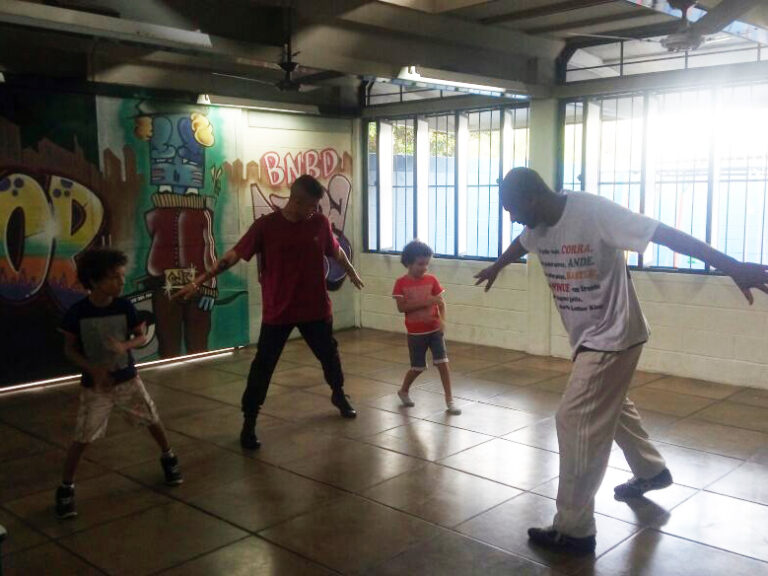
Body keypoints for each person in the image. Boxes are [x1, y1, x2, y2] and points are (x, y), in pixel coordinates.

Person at [474, 167, 768, 555]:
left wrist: (731, 265)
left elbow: (661, 233)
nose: (512, 217)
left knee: (575, 418)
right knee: (610, 408)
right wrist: (498, 265)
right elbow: (523, 242)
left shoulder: (593, 212)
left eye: (512, 209)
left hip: (613, 337)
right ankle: (652, 471)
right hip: (596, 338)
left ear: (532, 198)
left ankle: (574, 529)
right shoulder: (538, 222)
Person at [174, 174, 364, 450]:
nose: (314, 211)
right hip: (279, 311)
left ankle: (338, 394)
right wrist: (199, 281)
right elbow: (233, 256)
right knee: (262, 367)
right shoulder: (266, 226)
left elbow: (336, 252)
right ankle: (249, 421)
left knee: (330, 357)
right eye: (310, 205)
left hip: (315, 309)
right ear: (295, 200)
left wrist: (352, 271)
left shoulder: (319, 223)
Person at [57, 248, 183, 520]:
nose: (121, 282)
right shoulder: (77, 313)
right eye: (114, 277)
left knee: (151, 418)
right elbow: (69, 349)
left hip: (127, 379)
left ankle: (169, 457)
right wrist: (92, 368)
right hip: (95, 386)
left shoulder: (124, 306)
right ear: (94, 281)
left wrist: (124, 345)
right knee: (83, 436)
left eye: (122, 276)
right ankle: (66, 487)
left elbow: (140, 337)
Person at [392, 240, 461, 415]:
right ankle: (404, 390)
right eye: (420, 264)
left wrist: (443, 322)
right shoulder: (401, 283)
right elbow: (402, 307)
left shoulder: (432, 280)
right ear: (408, 263)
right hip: (416, 333)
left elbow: (441, 303)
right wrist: (427, 301)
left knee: (443, 364)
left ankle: (449, 400)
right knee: (418, 367)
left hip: (434, 330)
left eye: (427, 264)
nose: (424, 268)